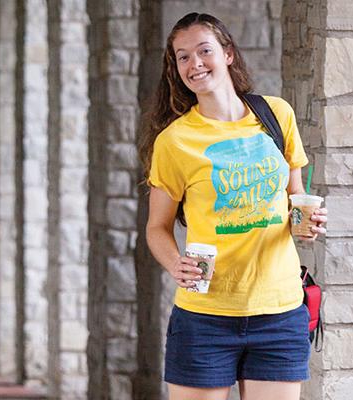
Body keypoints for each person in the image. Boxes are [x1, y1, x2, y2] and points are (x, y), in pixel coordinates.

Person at [138, 12, 328, 400]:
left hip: (279, 308)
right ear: (176, 68)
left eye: (204, 51)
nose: (195, 64)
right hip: (206, 316)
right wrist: (175, 262)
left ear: (227, 54)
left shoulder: (276, 115)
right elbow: (156, 228)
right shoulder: (175, 142)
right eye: (183, 57)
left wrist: (307, 222)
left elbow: (295, 200)